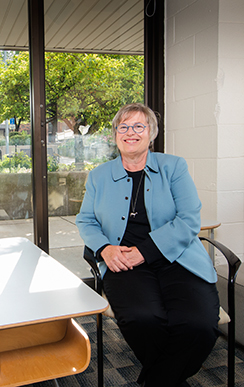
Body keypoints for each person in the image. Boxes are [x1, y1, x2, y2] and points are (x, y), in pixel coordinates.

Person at [76, 103, 219, 387]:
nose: (131, 132)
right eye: (123, 127)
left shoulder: (174, 167)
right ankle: (172, 376)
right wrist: (105, 249)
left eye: (139, 126)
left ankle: (157, 380)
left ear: (151, 133)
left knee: (199, 324)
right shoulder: (99, 176)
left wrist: (146, 251)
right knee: (143, 319)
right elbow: (86, 220)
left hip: (176, 257)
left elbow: (189, 219)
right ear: (115, 134)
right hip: (123, 261)